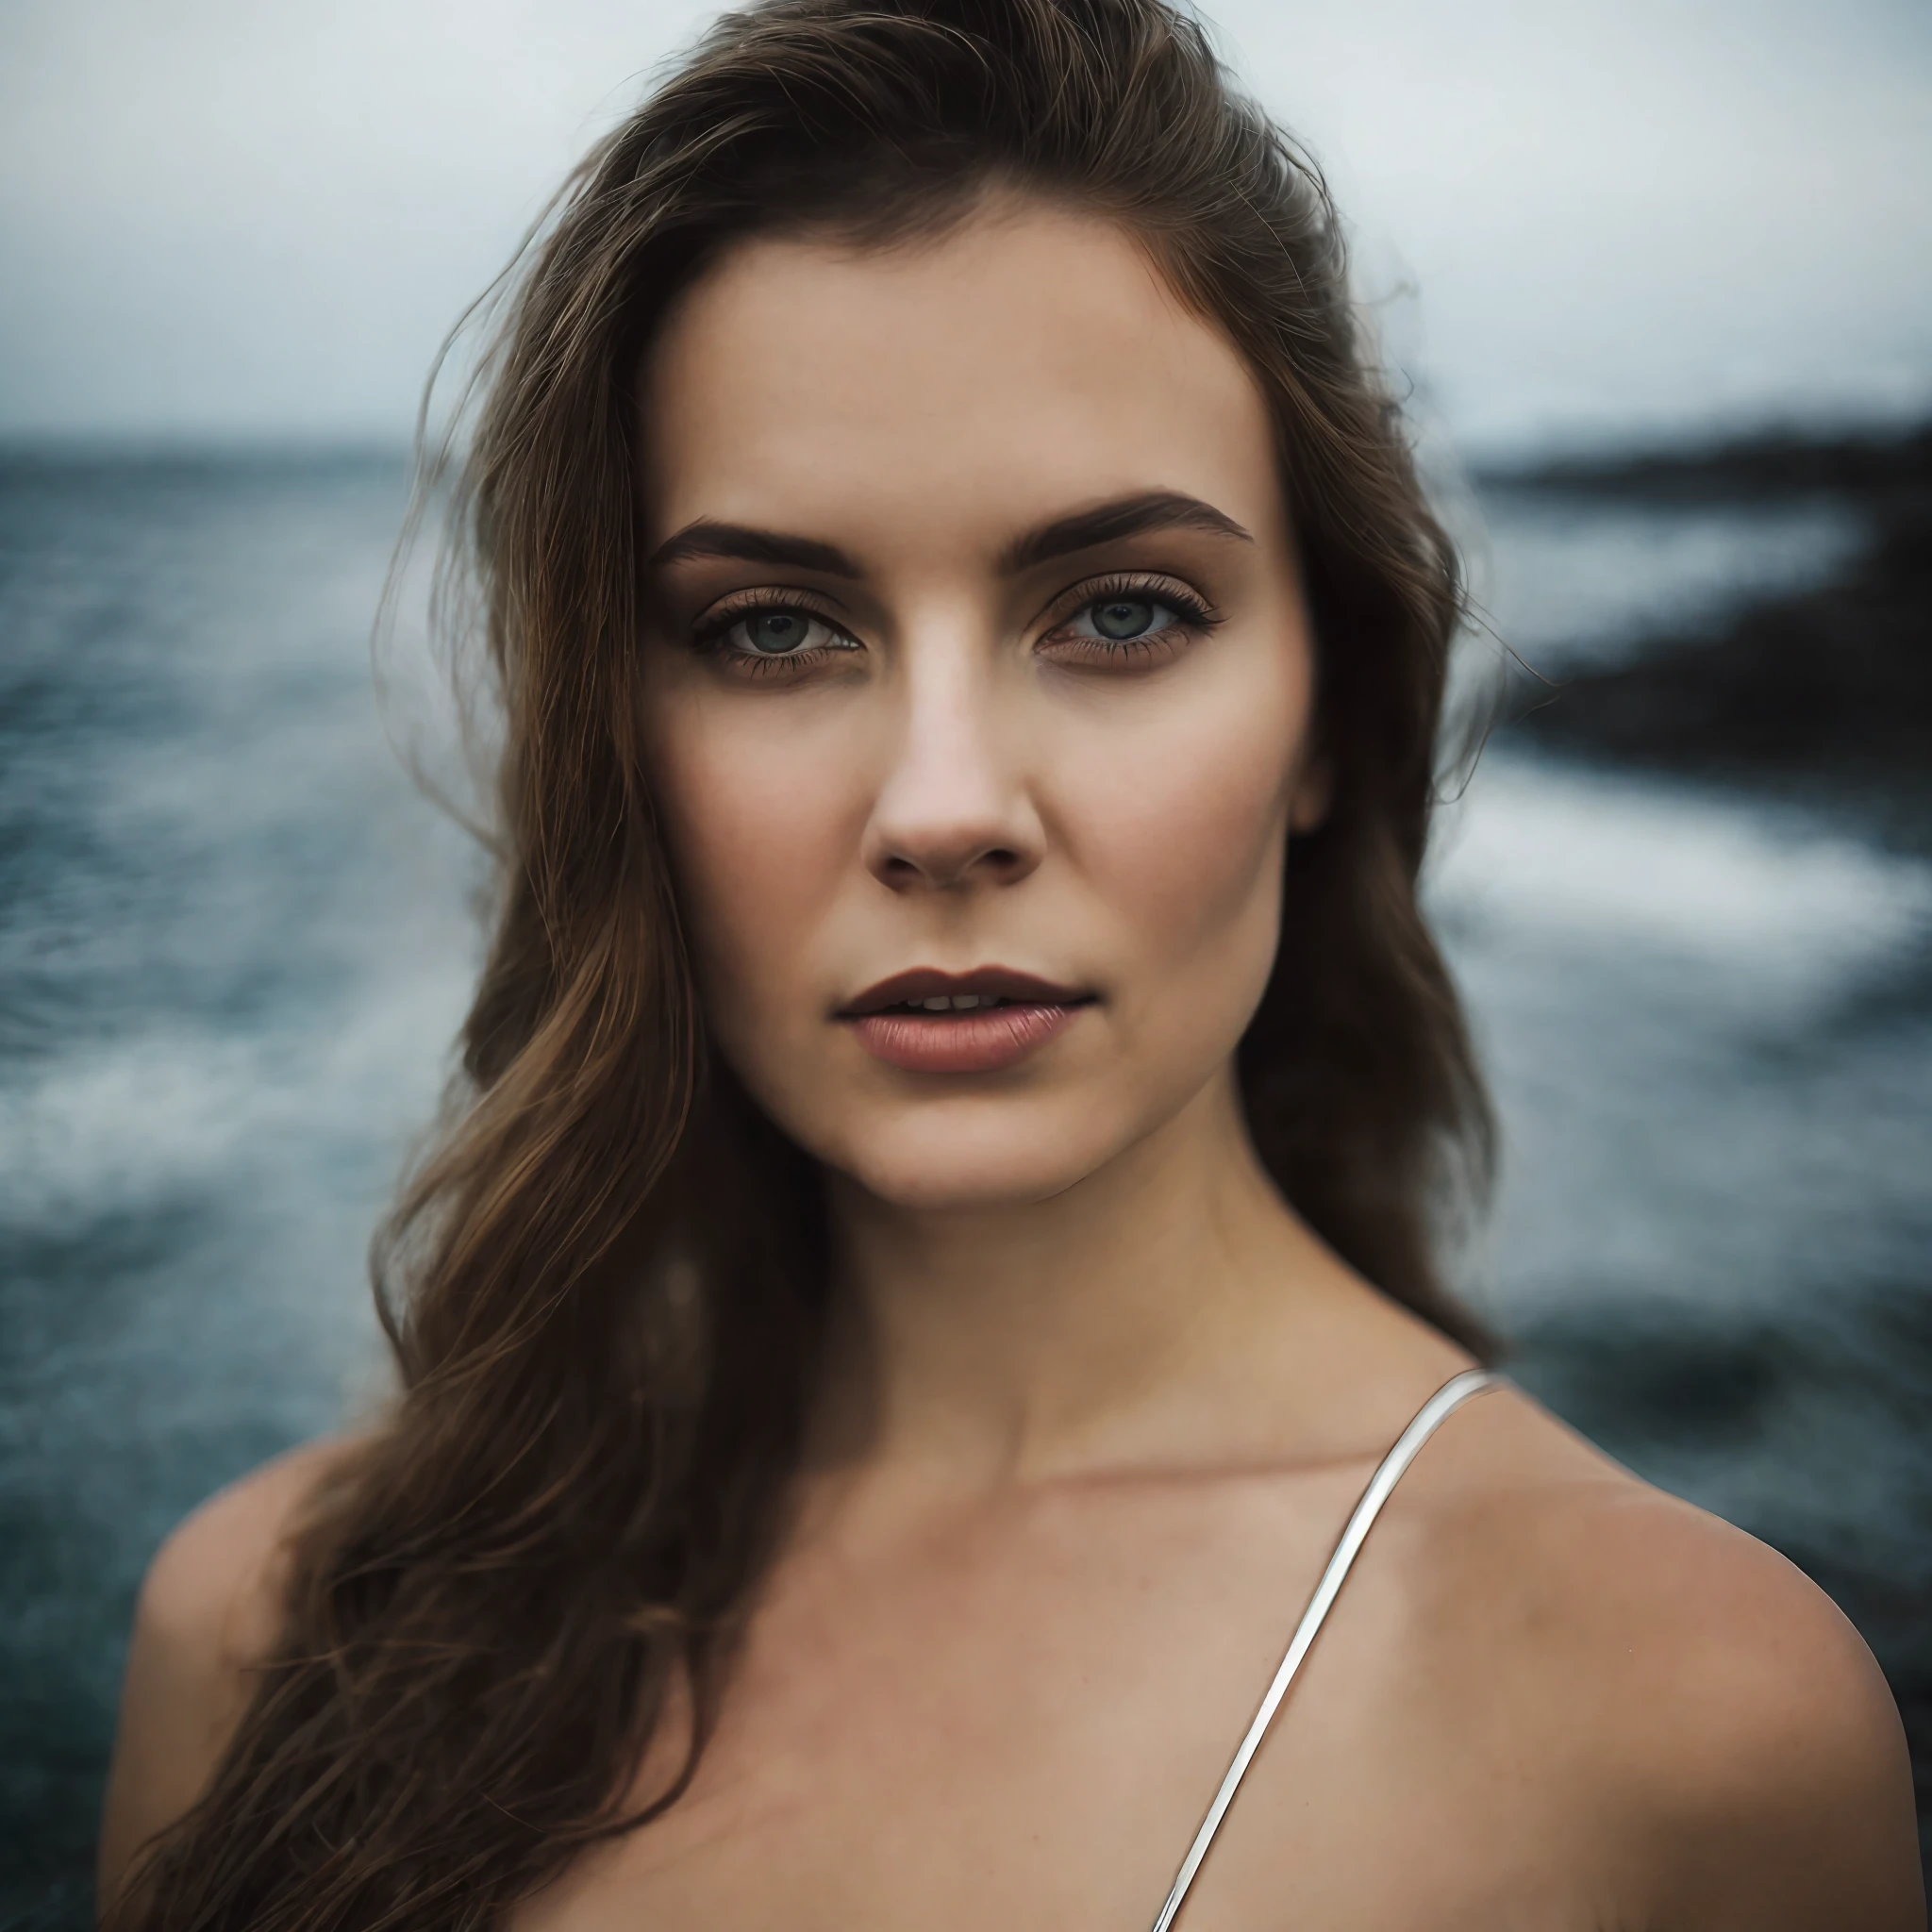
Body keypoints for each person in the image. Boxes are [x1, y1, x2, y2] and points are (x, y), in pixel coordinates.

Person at [97, 1, 1924, 1926]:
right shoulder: (277, 1645)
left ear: (1329, 706)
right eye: (774, 630)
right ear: (613, 741)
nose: (945, 807)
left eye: (1122, 609)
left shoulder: (1682, 1732)